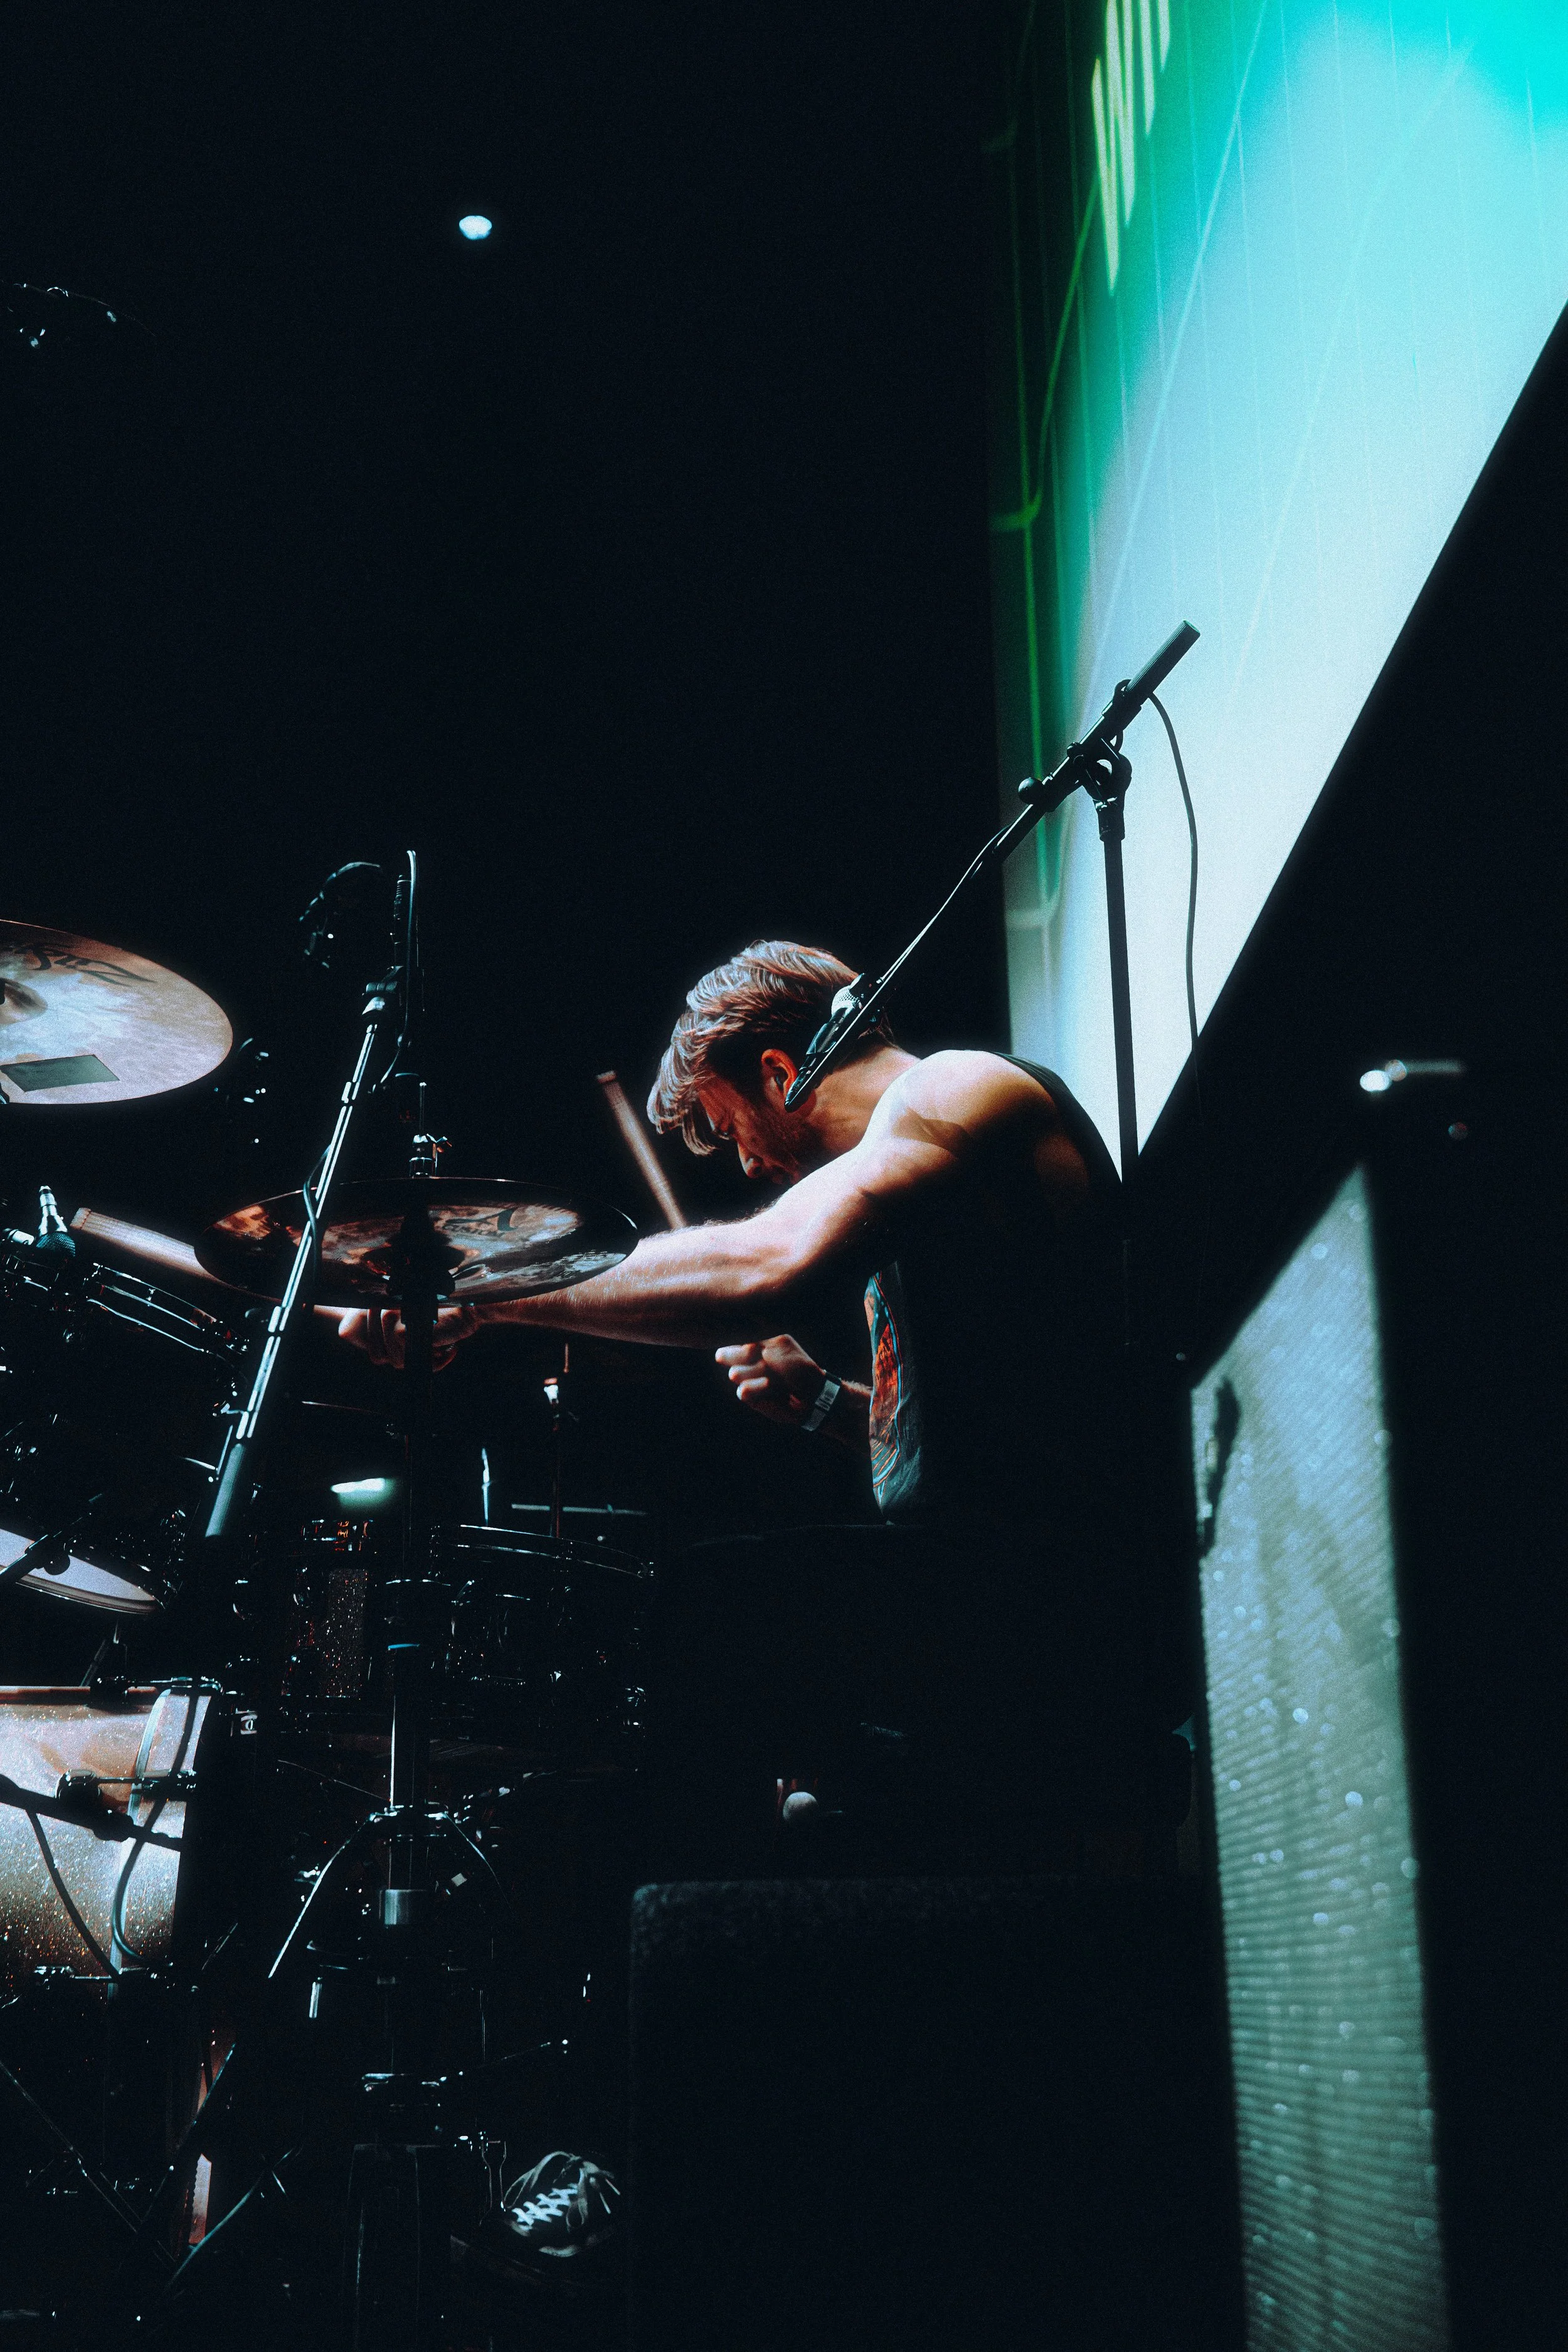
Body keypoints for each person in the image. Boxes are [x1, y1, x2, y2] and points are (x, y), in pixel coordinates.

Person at [340, 940, 1164, 1845]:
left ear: (780, 1070)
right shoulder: (919, 1190)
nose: (747, 1167)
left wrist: (488, 1292)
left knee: (708, 1611)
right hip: (997, 1581)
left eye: (735, 1129)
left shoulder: (955, 1088)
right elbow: (988, 1445)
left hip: (1061, 1598)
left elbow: (769, 1260)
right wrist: (822, 1403)